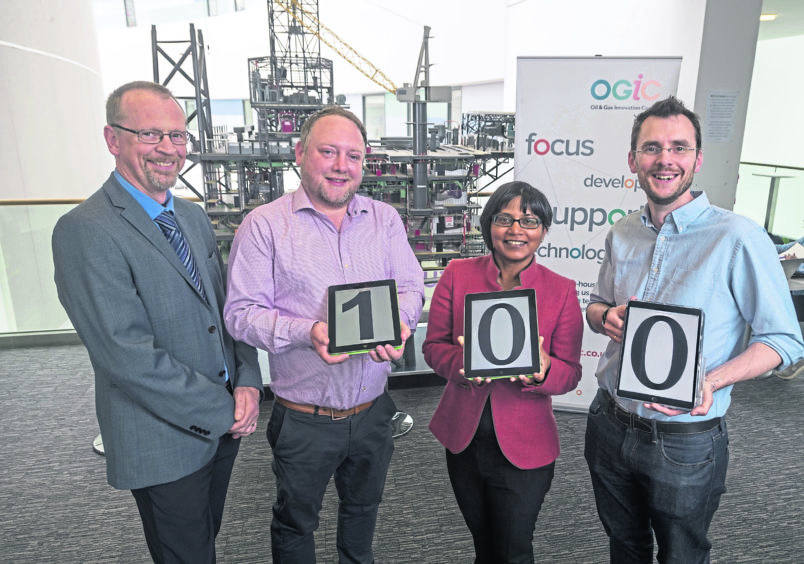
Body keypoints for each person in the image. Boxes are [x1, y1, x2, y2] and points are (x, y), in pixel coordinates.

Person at [584, 96, 804, 563]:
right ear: (633, 159)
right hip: (610, 421)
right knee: (624, 546)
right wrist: (606, 317)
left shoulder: (738, 237)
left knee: (683, 555)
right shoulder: (622, 232)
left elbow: (784, 341)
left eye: (679, 148)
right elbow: (596, 305)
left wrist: (712, 380)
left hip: (686, 437)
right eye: (652, 148)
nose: (665, 159)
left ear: (697, 159)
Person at [52, 81, 263, 564]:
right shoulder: (85, 230)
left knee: (202, 542)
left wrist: (249, 381)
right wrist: (223, 408)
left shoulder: (191, 216)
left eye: (178, 136)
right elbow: (125, 355)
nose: (168, 149)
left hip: (223, 424)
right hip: (163, 438)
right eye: (150, 135)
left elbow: (227, 309)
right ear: (113, 139)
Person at [223, 105, 424, 563]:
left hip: (374, 412)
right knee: (296, 522)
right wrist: (307, 331)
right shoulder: (264, 226)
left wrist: (404, 322)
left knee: (363, 513)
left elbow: (411, 286)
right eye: (328, 152)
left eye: (353, 156)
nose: (341, 166)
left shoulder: (384, 219)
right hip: (305, 418)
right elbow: (240, 314)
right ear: (300, 154)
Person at [423, 181, 583, 563]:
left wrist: (543, 372)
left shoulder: (561, 290)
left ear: (543, 230)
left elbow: (572, 373)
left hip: (526, 446)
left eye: (529, 221)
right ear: (488, 225)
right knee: (483, 543)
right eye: (504, 219)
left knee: (513, 550)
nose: (516, 230)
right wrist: (460, 367)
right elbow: (433, 347)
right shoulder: (457, 274)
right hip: (463, 438)